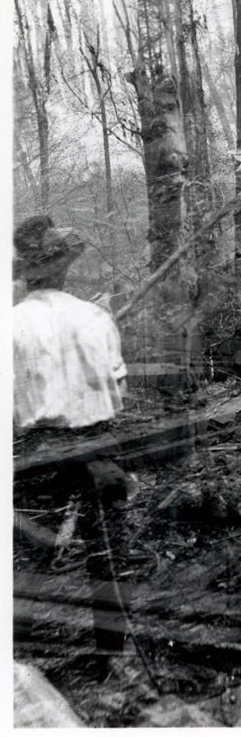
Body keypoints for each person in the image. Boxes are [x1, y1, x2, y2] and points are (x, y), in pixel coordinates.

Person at [13, 215, 130, 666]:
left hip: (38, 454)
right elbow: (118, 395)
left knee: (27, 560)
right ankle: (111, 659)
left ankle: (18, 668)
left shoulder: (11, 325)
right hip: (99, 449)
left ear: (27, 275)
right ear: (64, 268)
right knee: (108, 560)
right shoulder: (96, 317)